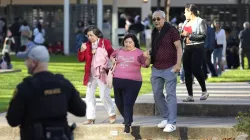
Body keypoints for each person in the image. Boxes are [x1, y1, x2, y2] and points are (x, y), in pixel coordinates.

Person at [6, 45, 86, 140]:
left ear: (34, 62)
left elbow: (12, 120)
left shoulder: (25, 88)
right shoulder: (63, 84)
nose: (25, 63)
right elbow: (81, 110)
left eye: (27, 60)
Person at [110, 34, 151, 133]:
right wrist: (112, 60)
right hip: (117, 81)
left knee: (128, 103)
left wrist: (148, 57)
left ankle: (127, 124)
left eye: (130, 42)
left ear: (134, 43)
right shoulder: (119, 51)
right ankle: (128, 118)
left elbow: (146, 65)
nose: (127, 44)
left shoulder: (139, 53)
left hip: (133, 82)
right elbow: (111, 55)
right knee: (118, 103)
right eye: (126, 42)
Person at [150, 10, 182, 133]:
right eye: (154, 19)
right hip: (156, 67)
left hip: (170, 67)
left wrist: (178, 64)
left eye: (159, 19)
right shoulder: (154, 32)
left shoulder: (171, 30)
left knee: (170, 95)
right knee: (157, 94)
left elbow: (179, 47)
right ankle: (165, 117)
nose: (156, 21)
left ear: (164, 18)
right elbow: (154, 48)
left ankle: (172, 122)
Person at [77, 25, 116, 124]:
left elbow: (111, 53)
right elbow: (80, 59)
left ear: (97, 34)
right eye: (87, 35)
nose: (89, 37)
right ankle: (90, 117)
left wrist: (99, 52)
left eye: (91, 35)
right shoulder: (86, 44)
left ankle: (112, 114)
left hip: (102, 72)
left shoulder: (104, 42)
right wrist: (81, 50)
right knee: (89, 96)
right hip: (91, 74)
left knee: (104, 95)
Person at [181, 4, 208, 102]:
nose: (184, 14)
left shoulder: (200, 21)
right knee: (187, 71)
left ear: (190, 11)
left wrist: (190, 36)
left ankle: (204, 91)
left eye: (185, 11)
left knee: (196, 69)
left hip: (198, 47)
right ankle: (190, 95)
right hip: (187, 48)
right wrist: (182, 35)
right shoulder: (185, 22)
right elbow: (183, 34)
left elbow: (203, 36)